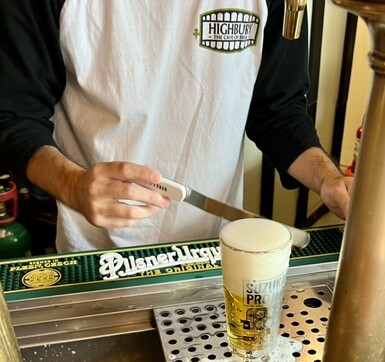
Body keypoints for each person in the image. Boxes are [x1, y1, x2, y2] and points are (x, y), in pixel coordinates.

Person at [0, 0, 352, 254]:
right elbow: (14, 116)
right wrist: (72, 184)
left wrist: (328, 179)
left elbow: (277, 109)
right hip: (99, 251)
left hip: (217, 249)